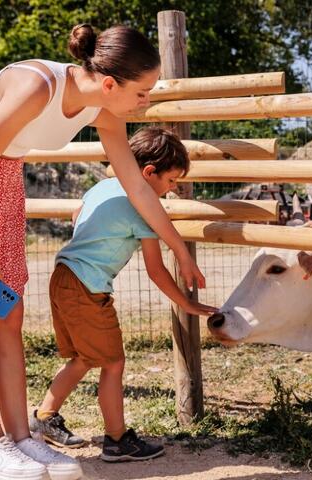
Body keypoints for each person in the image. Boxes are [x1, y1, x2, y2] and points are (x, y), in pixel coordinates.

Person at [0, 23, 205, 480]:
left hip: (1, 182)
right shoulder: (39, 86)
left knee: (9, 314)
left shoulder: (104, 111)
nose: (146, 102)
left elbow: (137, 186)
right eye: (143, 91)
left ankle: (19, 439)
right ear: (111, 82)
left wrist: (180, 249)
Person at [29, 126, 216, 462]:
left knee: (85, 358)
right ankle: (117, 439)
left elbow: (78, 215)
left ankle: (44, 418)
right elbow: (156, 271)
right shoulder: (141, 205)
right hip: (87, 286)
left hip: (63, 276)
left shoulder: (102, 187)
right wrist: (185, 302)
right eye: (171, 181)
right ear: (148, 173)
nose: (172, 189)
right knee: (113, 364)